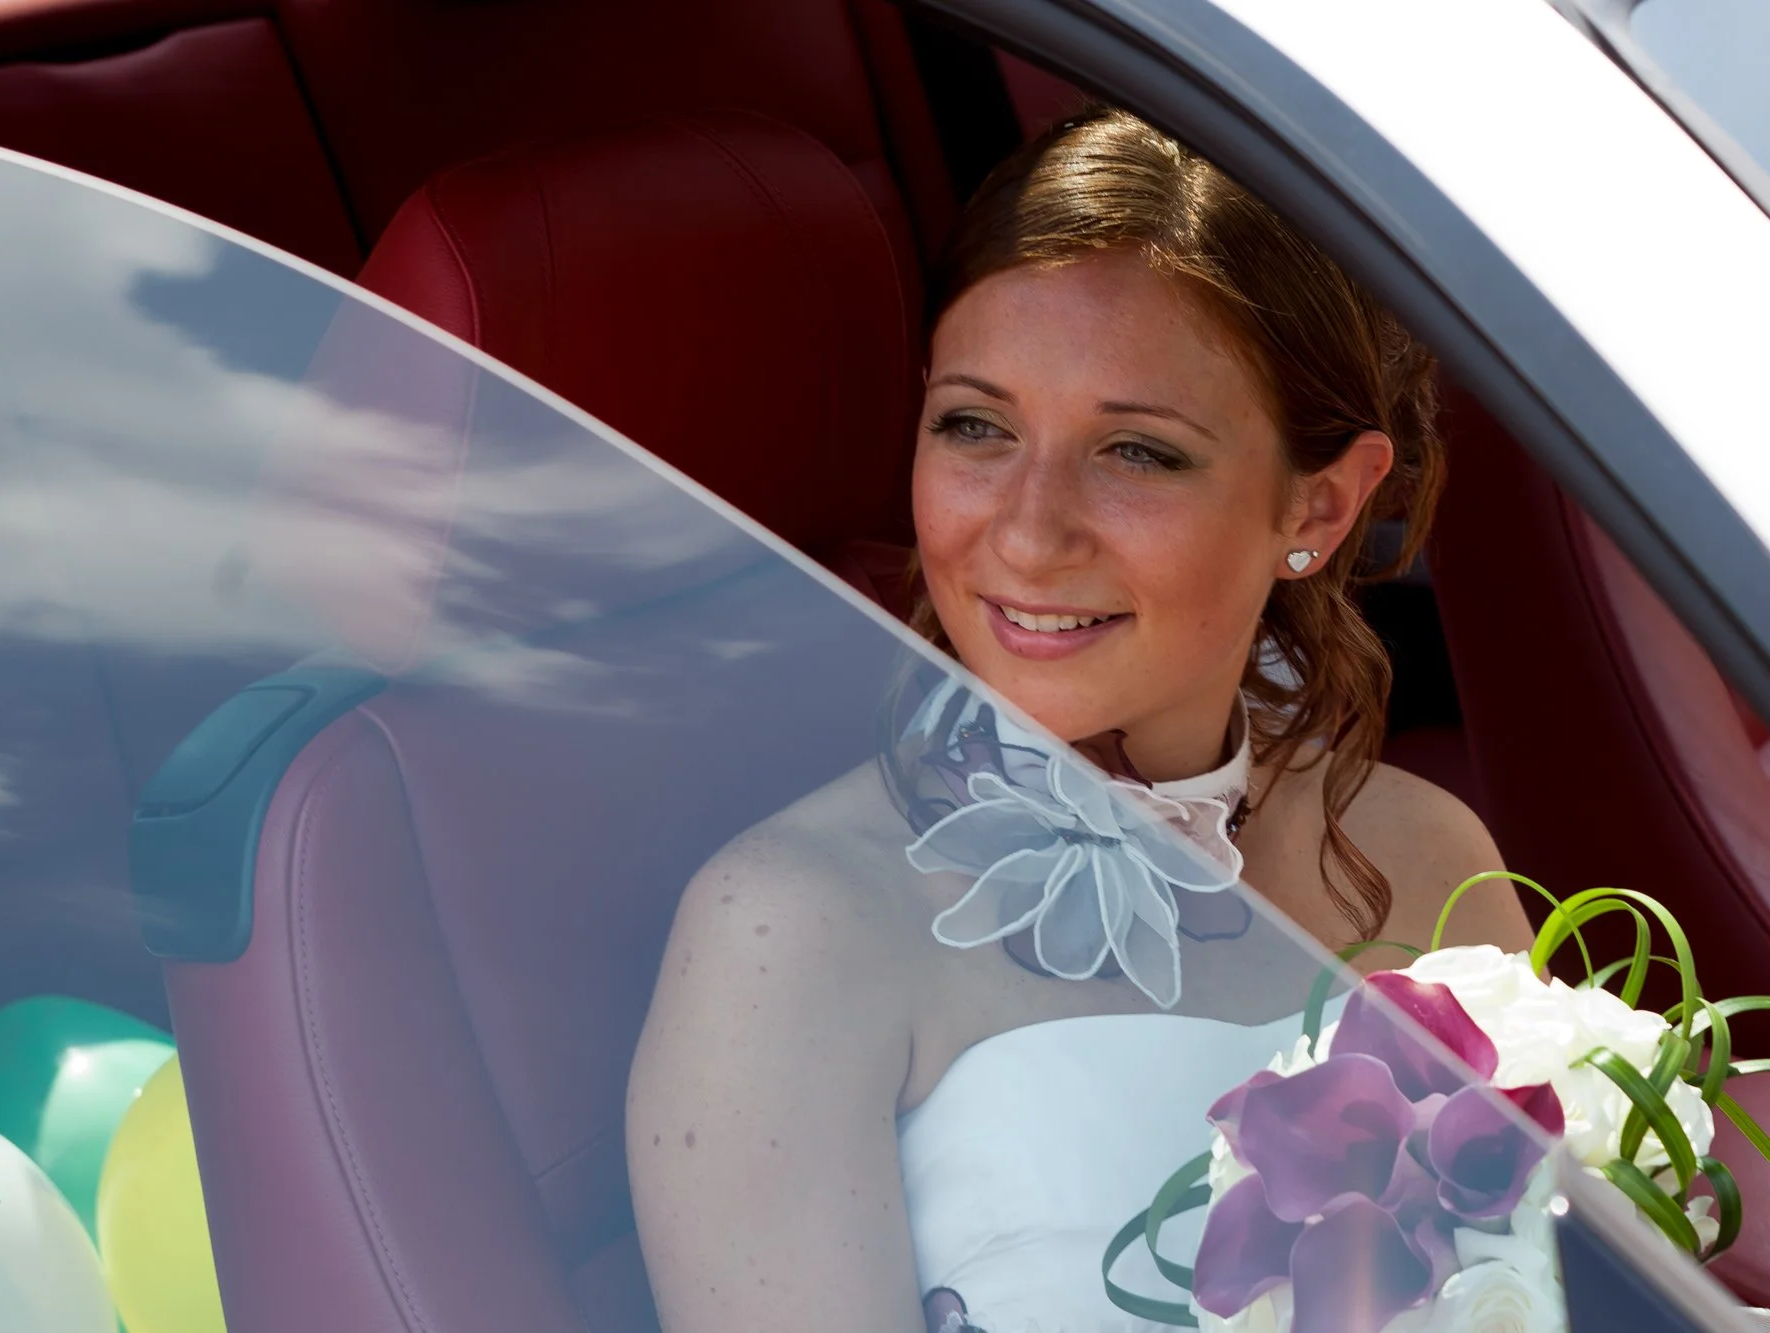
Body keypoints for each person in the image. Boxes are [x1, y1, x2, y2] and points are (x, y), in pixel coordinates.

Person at [626, 107, 1534, 1333]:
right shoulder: (789, 928)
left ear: (1315, 503)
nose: (1025, 531)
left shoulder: (1427, 859)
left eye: (1137, 453)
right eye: (975, 427)